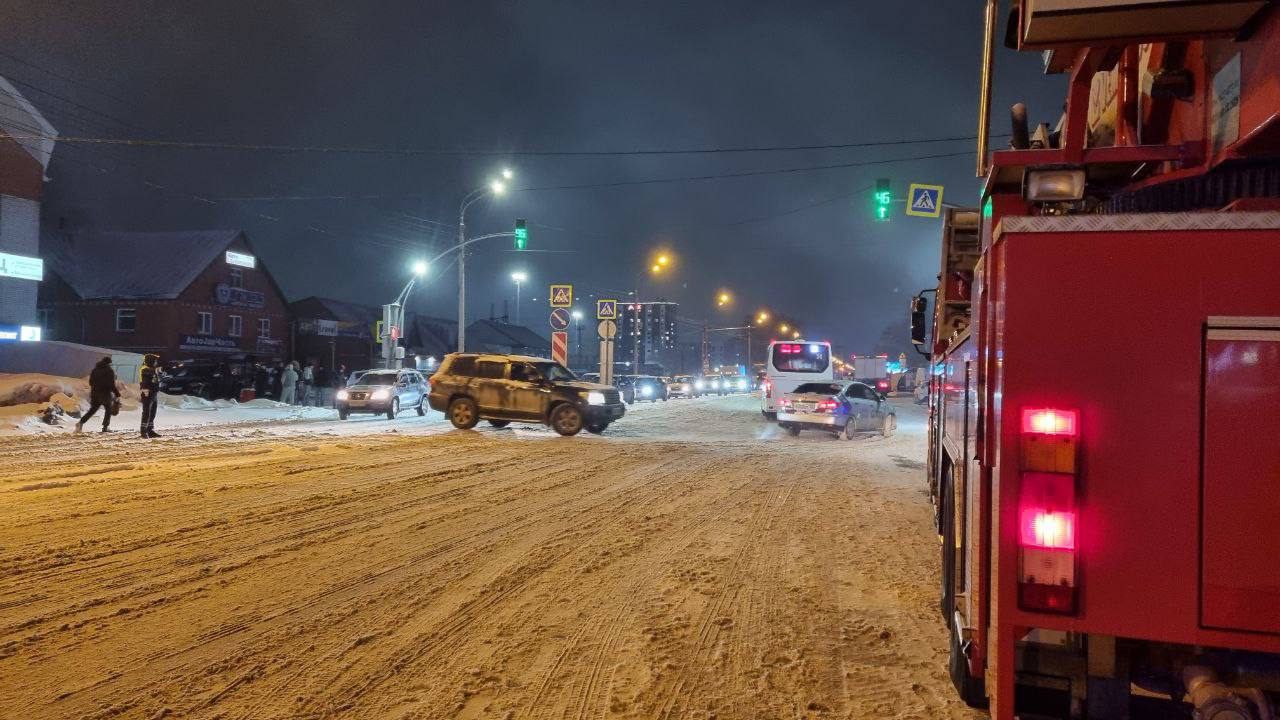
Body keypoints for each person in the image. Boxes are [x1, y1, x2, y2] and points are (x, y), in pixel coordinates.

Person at [77, 356, 119, 433]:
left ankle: (81, 422)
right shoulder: (109, 371)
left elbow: (90, 382)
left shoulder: (95, 370)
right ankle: (105, 427)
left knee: (92, 410)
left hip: (94, 393)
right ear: (109, 363)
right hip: (105, 393)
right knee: (108, 409)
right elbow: (111, 384)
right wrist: (117, 394)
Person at [139, 353, 162, 438]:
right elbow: (145, 382)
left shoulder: (153, 370)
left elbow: (155, 378)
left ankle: (150, 430)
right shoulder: (146, 369)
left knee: (152, 413)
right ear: (151, 361)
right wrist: (145, 390)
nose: (156, 362)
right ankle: (143, 431)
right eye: (155, 361)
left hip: (153, 393)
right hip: (147, 394)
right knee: (146, 413)